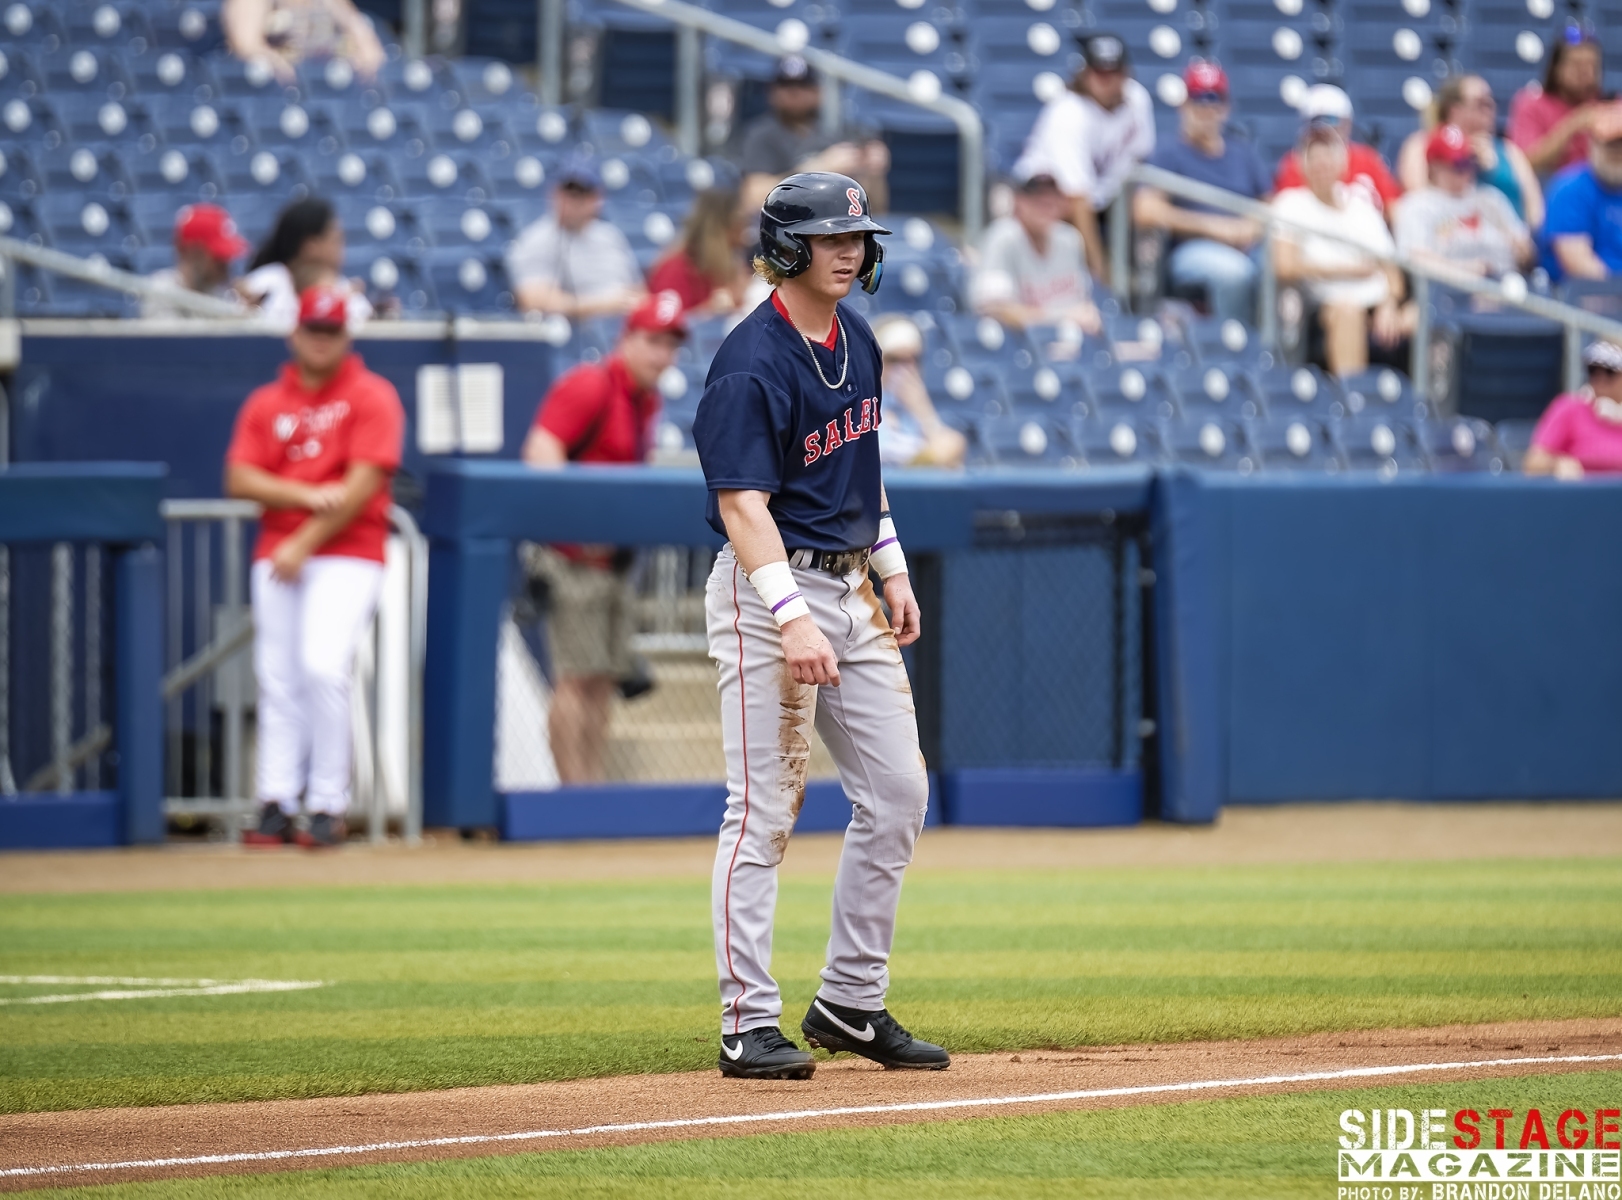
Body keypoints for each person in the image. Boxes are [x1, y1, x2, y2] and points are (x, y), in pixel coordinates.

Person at [691, 172, 946, 1080]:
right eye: (832, 237)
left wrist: (893, 568)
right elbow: (742, 506)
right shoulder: (750, 358)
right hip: (769, 594)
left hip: (848, 583)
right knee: (763, 810)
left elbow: (861, 470)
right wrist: (794, 619)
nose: (851, 249)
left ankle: (848, 1001)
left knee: (900, 794)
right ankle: (745, 1019)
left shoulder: (856, 337)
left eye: (859, 237)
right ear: (786, 247)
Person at [225, 285, 404, 847]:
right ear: (295, 332)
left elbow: (361, 485)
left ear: (346, 335)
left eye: (331, 331)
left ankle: (328, 802)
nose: (321, 340)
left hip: (347, 551)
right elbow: (238, 477)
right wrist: (305, 500)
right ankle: (275, 799)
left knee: (324, 666)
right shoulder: (266, 401)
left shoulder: (372, 394)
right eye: (313, 330)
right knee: (277, 677)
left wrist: (305, 537)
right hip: (279, 550)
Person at [519, 292, 687, 784]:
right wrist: (572, 524)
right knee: (573, 680)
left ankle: (589, 791)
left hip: (612, 562)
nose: (663, 355)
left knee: (599, 680)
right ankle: (572, 793)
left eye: (671, 345)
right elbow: (541, 451)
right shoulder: (591, 384)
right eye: (653, 341)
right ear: (627, 340)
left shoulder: (644, 399)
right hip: (572, 559)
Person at [1131, 62, 1272, 325]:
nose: (1206, 108)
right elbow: (1145, 210)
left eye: (1213, 99)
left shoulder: (1243, 153)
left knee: (1277, 265)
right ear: (1183, 106)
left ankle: (1276, 356)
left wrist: (1249, 228)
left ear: (1226, 106)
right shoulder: (1169, 151)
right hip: (1191, 249)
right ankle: (1238, 351)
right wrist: (1213, 228)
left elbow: (1270, 207)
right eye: (1198, 99)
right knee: (1233, 273)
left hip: (1247, 244)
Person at [1013, 33, 1156, 281]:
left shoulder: (1137, 99)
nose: (1105, 80)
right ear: (1085, 73)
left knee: (1149, 207)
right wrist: (1100, 271)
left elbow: (1140, 159)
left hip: (1104, 197)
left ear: (1125, 73)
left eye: (1113, 72)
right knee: (1057, 211)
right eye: (1099, 72)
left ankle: (1148, 292)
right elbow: (1077, 197)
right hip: (1045, 195)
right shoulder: (1068, 113)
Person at [1272, 124, 1411, 377]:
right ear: (1302, 166)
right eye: (1314, 158)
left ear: (1342, 164)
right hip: (1325, 304)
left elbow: (1392, 270)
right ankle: (1354, 403)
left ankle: (1427, 412)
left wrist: (1389, 305)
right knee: (1347, 311)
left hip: (1376, 300)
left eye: (1328, 156)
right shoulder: (1290, 204)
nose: (1322, 164)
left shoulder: (1362, 208)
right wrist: (1347, 270)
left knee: (1425, 315)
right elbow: (1285, 266)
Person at [734, 55, 890, 218]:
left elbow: (875, 211)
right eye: (786, 85)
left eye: (803, 85)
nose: (794, 93)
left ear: (818, 91)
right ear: (772, 92)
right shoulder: (761, 135)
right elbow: (752, 199)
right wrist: (819, 169)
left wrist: (874, 174)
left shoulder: (836, 133)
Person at [1397, 74, 1543, 229]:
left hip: (1513, 244)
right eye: (1481, 103)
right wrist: (1465, 164)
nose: (1489, 109)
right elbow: (1418, 198)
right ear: (1454, 110)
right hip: (1452, 239)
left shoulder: (1509, 151)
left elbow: (1535, 210)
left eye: (1491, 102)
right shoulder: (1422, 144)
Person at [507, 156, 645, 319]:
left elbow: (640, 292)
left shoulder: (610, 236)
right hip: (579, 336)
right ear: (555, 193)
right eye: (569, 192)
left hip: (627, 330)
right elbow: (533, 300)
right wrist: (606, 305)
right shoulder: (537, 239)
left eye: (582, 194)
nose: (573, 201)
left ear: (598, 198)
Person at [1395, 125, 1534, 279]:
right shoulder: (1417, 205)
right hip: (1447, 294)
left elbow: (1526, 253)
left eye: (1469, 162)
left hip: (1506, 284)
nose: (1466, 171)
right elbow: (1415, 260)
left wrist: (1523, 249)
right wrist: (1468, 270)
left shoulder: (1491, 199)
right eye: (1458, 164)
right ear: (1435, 166)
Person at [971, 170, 1102, 332]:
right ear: (1019, 202)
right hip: (1014, 350)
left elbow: (1084, 304)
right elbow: (995, 311)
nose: (1046, 204)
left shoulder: (1069, 239)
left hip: (1066, 346)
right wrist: (1060, 318)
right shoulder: (1003, 237)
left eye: (1052, 198)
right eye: (1037, 198)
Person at [241, 198, 372, 334]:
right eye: (336, 239)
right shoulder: (263, 285)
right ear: (311, 246)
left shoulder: (348, 293)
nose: (342, 249)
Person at [1274, 85, 1403, 220]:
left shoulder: (1367, 159)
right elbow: (1286, 214)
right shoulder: (1295, 163)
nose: (1327, 129)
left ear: (1347, 124)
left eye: (1332, 120)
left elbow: (1393, 205)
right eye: (1316, 122)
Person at [1509, 26, 1616, 178]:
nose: (1585, 73)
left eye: (1592, 65)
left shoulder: (1611, 107)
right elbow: (1525, 162)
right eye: (1577, 65)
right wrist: (1573, 125)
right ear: (1556, 69)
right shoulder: (1531, 104)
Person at [871, 315, 968, 468]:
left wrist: (923, 411)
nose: (904, 371)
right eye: (894, 360)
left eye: (913, 360)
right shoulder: (857, 405)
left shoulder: (918, 412)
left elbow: (951, 447)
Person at [1542, 109, 1622, 282]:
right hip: (1583, 300)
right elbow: (1580, 267)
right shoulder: (1570, 189)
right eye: (1610, 144)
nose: (1617, 152)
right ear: (1593, 143)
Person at [647, 188, 755, 315]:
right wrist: (709, 310)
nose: (745, 228)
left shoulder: (735, 265)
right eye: (740, 221)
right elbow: (665, 323)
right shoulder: (677, 268)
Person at [222, 0, 385, 84]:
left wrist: (357, 65)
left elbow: (369, 47)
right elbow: (247, 46)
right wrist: (292, 76)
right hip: (274, 93)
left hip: (324, 90)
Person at [1525, 340, 1622, 478]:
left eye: (1609, 372)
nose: (1600, 379)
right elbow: (1533, 464)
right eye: (1593, 370)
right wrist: (1556, 464)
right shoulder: (1569, 408)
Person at [142, 203, 248, 319]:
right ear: (192, 252)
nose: (225, 263)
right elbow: (170, 336)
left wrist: (246, 313)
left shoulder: (222, 293)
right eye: (218, 256)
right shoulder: (162, 289)